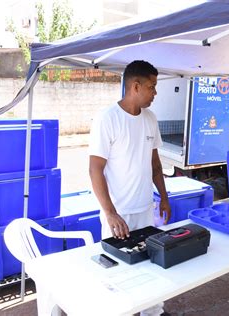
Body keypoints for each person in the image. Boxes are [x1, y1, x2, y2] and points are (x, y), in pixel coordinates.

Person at [89, 60, 171, 316]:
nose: (155, 93)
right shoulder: (107, 119)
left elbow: (155, 165)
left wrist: (165, 198)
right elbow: (95, 170)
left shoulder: (150, 119)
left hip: (146, 209)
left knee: (149, 267)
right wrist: (111, 213)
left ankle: (153, 312)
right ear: (135, 86)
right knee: (116, 274)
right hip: (119, 214)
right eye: (152, 86)